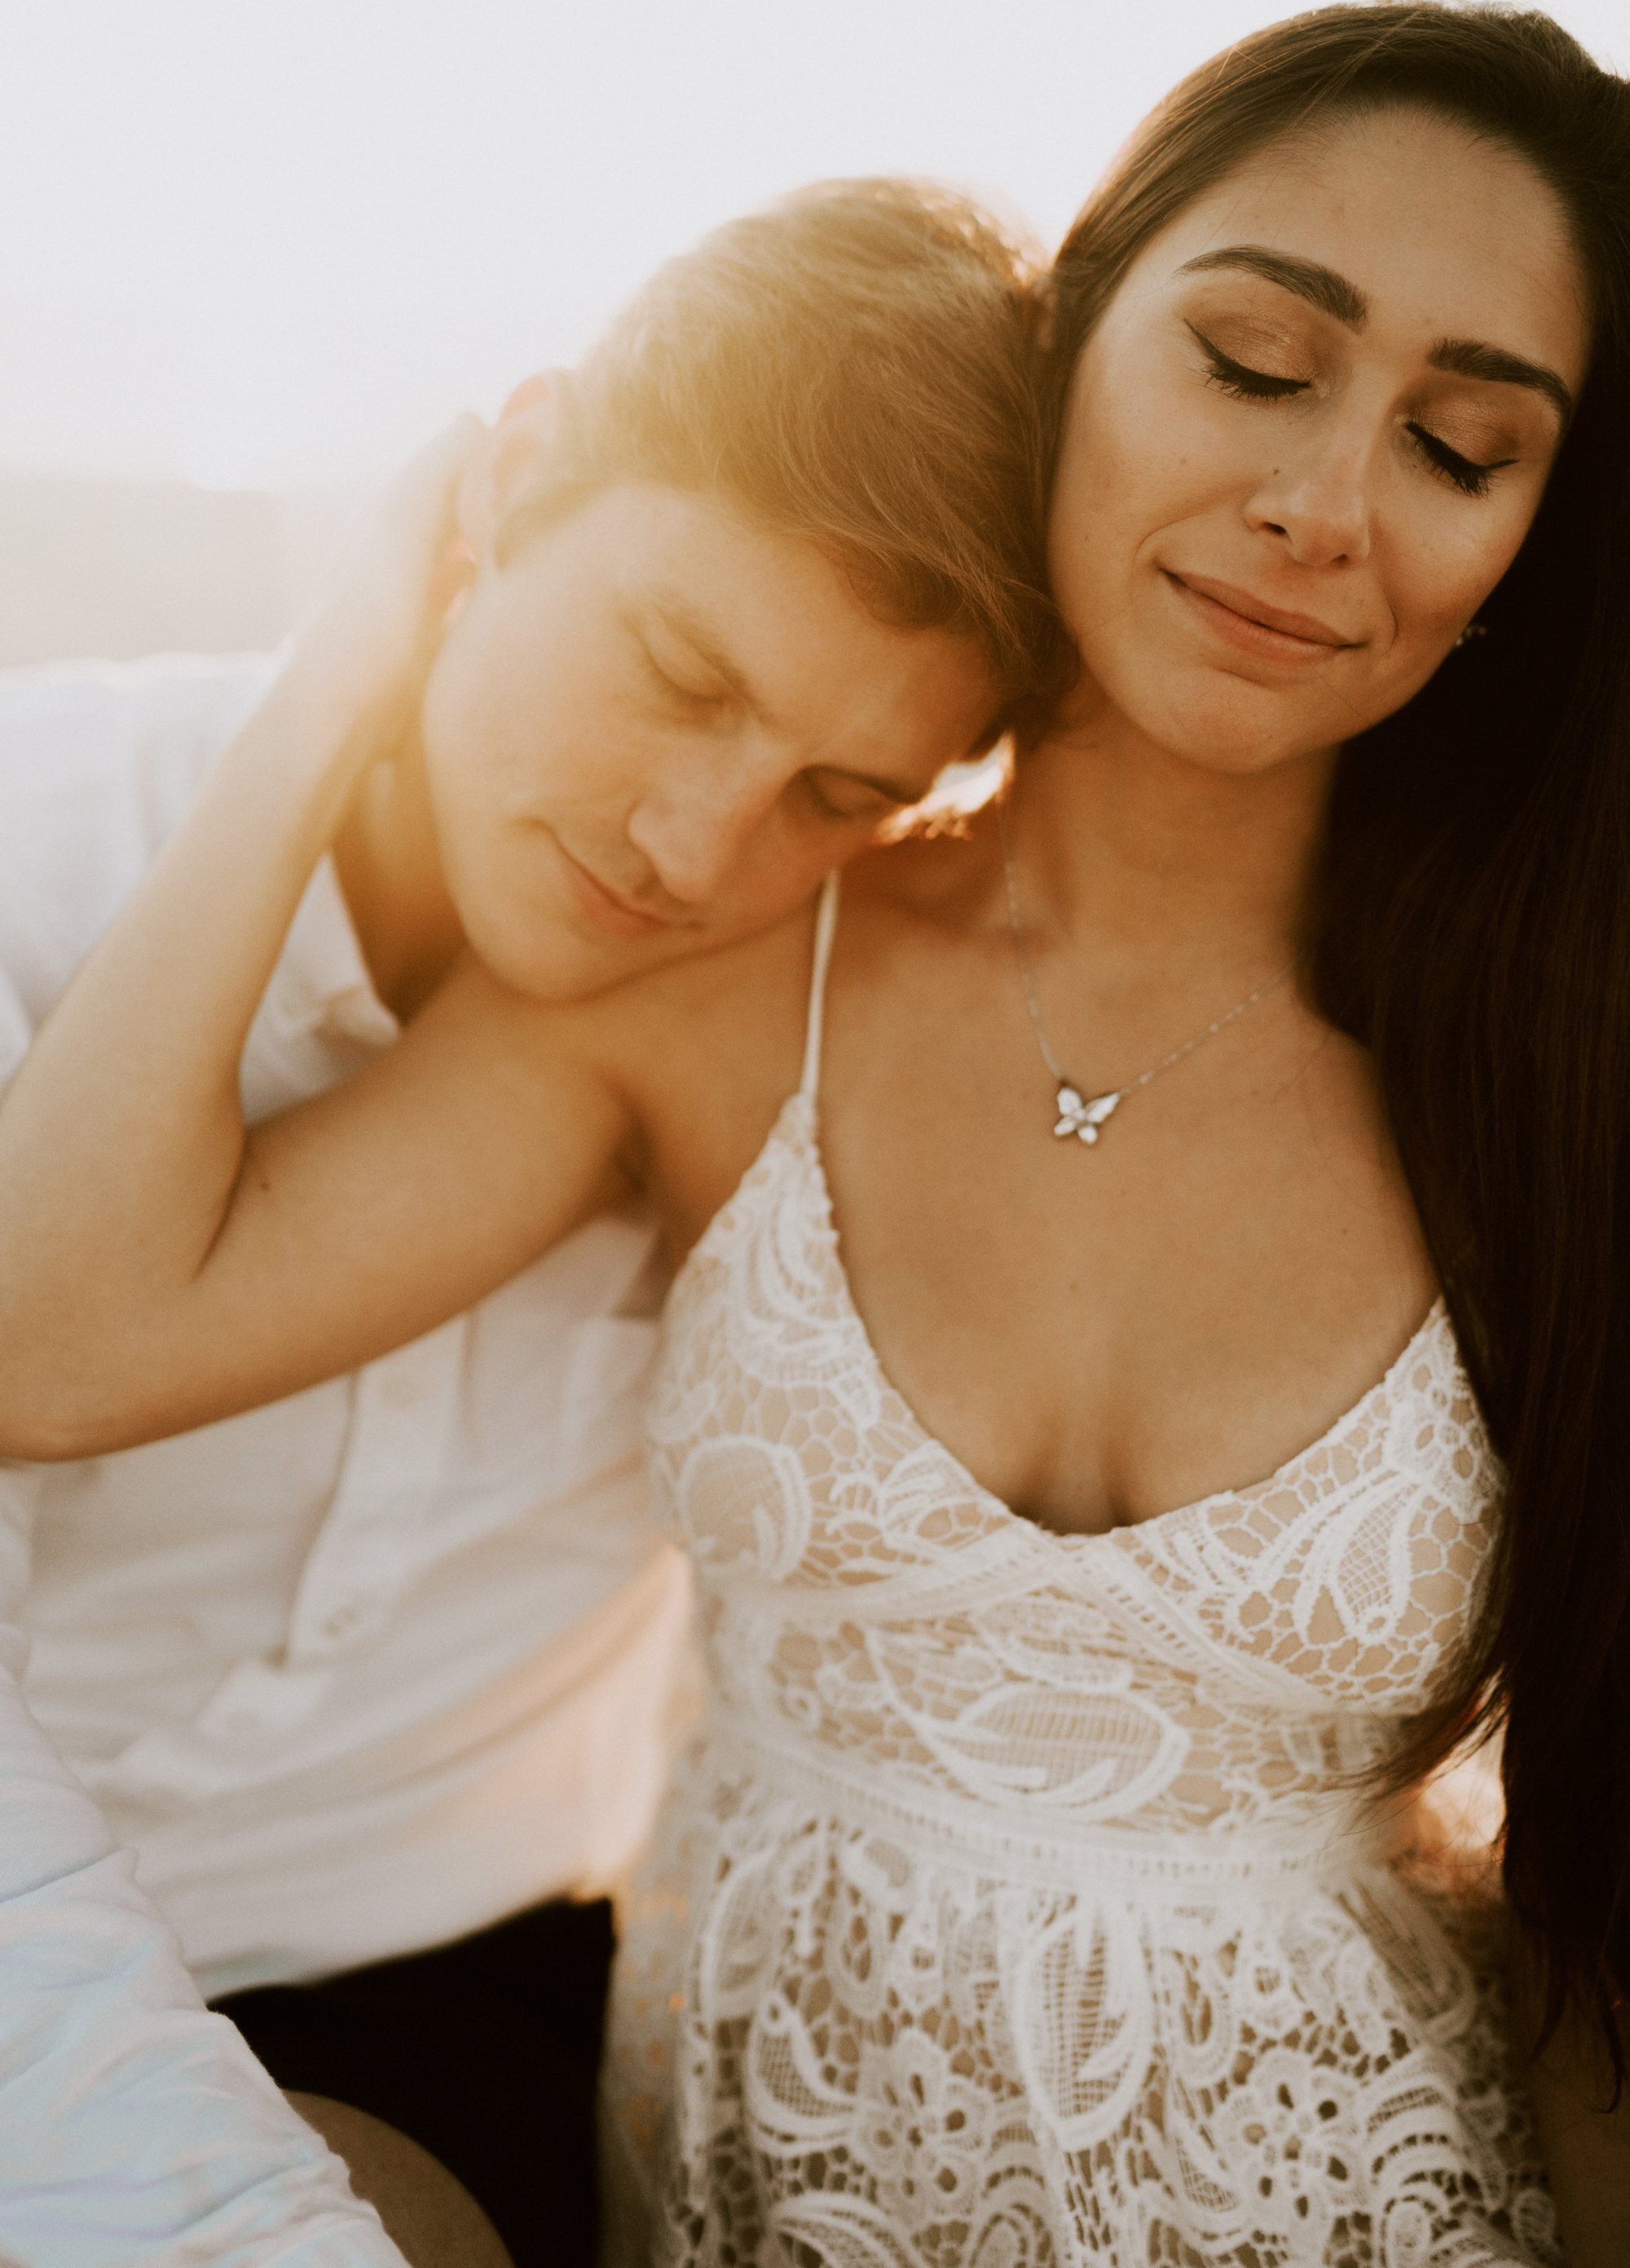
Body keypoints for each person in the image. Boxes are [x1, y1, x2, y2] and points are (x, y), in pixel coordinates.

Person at [2, 6, 1628, 2261]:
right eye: (1258, 360)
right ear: (1084, 334)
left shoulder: (1554, 1066)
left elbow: (1601, 1912)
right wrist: (354, 650)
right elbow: (54, 1337)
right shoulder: (737, 965)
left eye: (1462, 443)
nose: (1320, 502)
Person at [0, 179, 1056, 2268]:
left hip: (424, 1993)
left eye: (843, 794)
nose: (694, 845)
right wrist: (322, 712)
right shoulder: (38, 855)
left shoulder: (781, 1020)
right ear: (506, 484)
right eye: (676, 669)